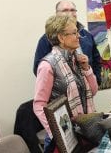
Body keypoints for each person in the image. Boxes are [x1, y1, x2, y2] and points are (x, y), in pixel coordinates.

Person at [33, 15, 98, 151]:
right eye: (74, 33)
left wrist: (87, 68)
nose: (79, 36)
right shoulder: (47, 65)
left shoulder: (76, 60)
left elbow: (93, 91)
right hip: (64, 139)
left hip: (84, 132)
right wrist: (58, 134)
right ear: (61, 38)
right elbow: (39, 105)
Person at [33, 0, 102, 85]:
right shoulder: (46, 39)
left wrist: (96, 81)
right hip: (62, 94)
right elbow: (38, 68)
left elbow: (96, 61)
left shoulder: (87, 36)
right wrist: (59, 89)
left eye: (73, 10)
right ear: (57, 14)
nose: (70, 13)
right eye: (65, 10)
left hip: (87, 91)